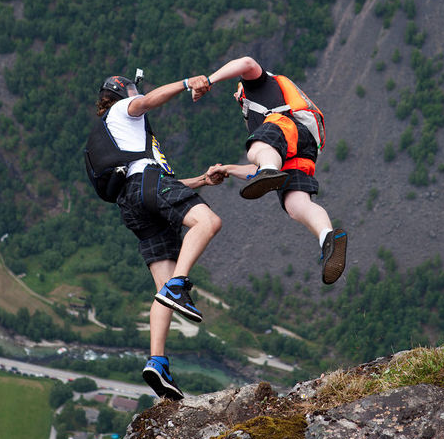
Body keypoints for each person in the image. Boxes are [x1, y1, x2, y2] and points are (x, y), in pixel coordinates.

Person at [89, 73, 224, 401]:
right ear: (122, 92)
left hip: (134, 202)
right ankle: (180, 285)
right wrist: (185, 82)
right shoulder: (125, 109)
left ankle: (158, 361)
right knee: (208, 222)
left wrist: (202, 181)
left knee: (161, 292)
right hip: (146, 184)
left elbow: (161, 185)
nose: (140, 95)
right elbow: (149, 102)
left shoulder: (120, 132)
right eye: (135, 90)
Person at [192, 56, 347, 285]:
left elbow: (246, 62)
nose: (236, 97)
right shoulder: (262, 128)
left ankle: (269, 171)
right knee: (297, 205)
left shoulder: (258, 86)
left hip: (287, 128)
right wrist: (228, 170)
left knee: (256, 149)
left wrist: (209, 80)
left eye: (237, 94)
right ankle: (327, 237)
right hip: (301, 150)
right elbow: (257, 169)